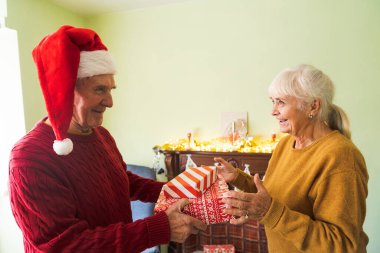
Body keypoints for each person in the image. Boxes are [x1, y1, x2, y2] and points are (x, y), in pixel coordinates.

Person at [9, 25, 206, 253]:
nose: (110, 101)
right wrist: (160, 228)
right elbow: (66, 246)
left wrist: (175, 190)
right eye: (100, 89)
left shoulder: (100, 135)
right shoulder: (28, 158)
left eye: (111, 89)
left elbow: (122, 180)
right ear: (65, 92)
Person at [215, 64, 368, 252]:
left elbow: (342, 245)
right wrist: (238, 178)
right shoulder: (285, 145)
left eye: (281, 102)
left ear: (313, 106)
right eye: (272, 101)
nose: (273, 111)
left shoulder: (341, 156)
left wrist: (270, 212)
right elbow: (275, 197)